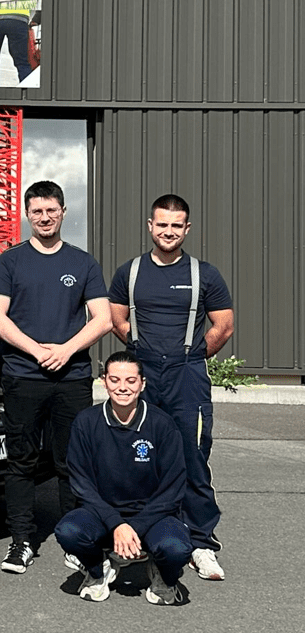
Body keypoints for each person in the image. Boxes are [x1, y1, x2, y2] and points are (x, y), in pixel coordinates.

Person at [0, 180, 112, 574]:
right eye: (37, 211)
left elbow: (104, 319)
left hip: (71, 378)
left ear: (62, 212)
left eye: (51, 210)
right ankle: (21, 541)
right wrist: (38, 350)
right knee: (21, 462)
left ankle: (75, 540)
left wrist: (65, 350)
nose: (45, 217)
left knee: (72, 462)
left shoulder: (83, 262)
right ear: (27, 215)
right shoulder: (10, 261)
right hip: (23, 376)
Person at [108, 194, 234, 580]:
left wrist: (190, 356)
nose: (168, 231)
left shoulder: (205, 274)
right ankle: (141, 533)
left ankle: (200, 542)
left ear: (186, 229)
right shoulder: (129, 272)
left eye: (176, 225)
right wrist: (143, 350)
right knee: (139, 455)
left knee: (192, 457)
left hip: (186, 374)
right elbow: (117, 319)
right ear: (150, 225)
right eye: (161, 224)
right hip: (143, 373)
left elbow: (223, 326)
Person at [55, 352, 191, 605]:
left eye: (130, 380)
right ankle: (98, 569)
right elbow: (81, 484)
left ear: (142, 383)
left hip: (153, 516)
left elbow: (172, 488)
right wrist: (116, 524)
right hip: (102, 514)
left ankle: (164, 575)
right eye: (115, 380)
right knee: (69, 531)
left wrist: (134, 527)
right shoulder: (86, 422)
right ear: (104, 381)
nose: (122, 387)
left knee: (176, 548)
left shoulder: (162, 424)